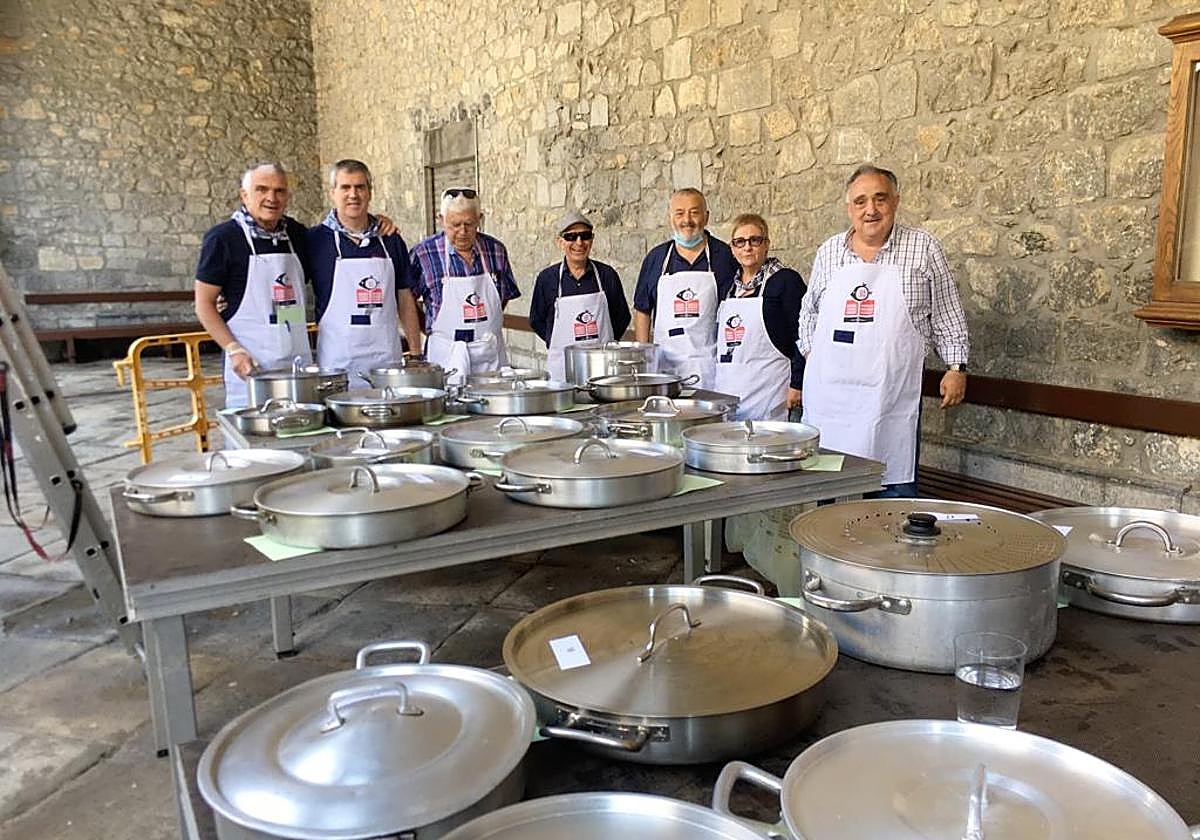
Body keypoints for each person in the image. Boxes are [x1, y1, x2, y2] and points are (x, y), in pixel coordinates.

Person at [798, 163, 969, 497]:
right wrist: (813, 354)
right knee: (827, 487)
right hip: (834, 394)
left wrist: (956, 367)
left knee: (891, 487)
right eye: (860, 202)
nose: (870, 210)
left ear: (896, 201)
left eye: (880, 199)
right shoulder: (829, 252)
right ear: (849, 208)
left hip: (891, 392)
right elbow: (809, 312)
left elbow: (947, 311)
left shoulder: (923, 248)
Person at [194, 162, 312, 408]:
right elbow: (204, 305)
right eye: (262, 189)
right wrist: (233, 349)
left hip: (297, 362)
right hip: (250, 365)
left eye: (279, 191)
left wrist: (379, 223)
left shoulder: (298, 235)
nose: (271, 198)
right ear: (244, 195)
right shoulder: (223, 239)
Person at [308, 160, 423, 386]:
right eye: (345, 187)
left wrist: (416, 354)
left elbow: (405, 298)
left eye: (360, 187)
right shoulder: (314, 240)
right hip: (337, 365)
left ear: (370, 192)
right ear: (333, 193)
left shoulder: (390, 239)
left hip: (386, 362)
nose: (353, 194)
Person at [409, 188, 520, 384]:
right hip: (445, 355)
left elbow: (503, 297)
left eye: (469, 224)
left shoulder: (496, 251)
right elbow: (406, 301)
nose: (463, 231)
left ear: (480, 219)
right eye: (455, 224)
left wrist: (485, 324)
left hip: (489, 356)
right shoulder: (423, 254)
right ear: (441, 219)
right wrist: (428, 328)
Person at [632, 188, 737, 389]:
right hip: (664, 368)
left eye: (694, 212)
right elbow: (643, 309)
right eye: (679, 213)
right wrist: (645, 360)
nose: (686, 220)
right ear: (670, 218)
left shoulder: (725, 256)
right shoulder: (656, 258)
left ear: (706, 217)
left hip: (709, 366)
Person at [715, 214, 806, 421]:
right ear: (732, 248)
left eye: (755, 240)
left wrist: (797, 384)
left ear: (766, 244)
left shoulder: (786, 281)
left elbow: (803, 336)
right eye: (740, 242)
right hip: (729, 389)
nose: (747, 247)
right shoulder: (728, 287)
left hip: (772, 390)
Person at [529, 211, 631, 381]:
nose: (579, 242)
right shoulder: (547, 279)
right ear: (560, 242)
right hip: (562, 369)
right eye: (571, 237)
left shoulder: (607, 275)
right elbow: (536, 320)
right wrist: (556, 344)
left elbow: (621, 317)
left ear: (592, 240)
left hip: (603, 369)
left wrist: (605, 344)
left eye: (585, 236)